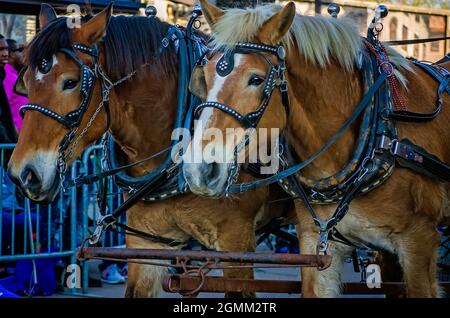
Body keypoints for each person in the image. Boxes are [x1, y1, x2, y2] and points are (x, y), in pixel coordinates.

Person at [3, 38, 26, 133]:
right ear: (12, 54)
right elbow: (4, 107)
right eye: (20, 51)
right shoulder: (7, 75)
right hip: (14, 135)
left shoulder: (14, 74)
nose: (22, 54)